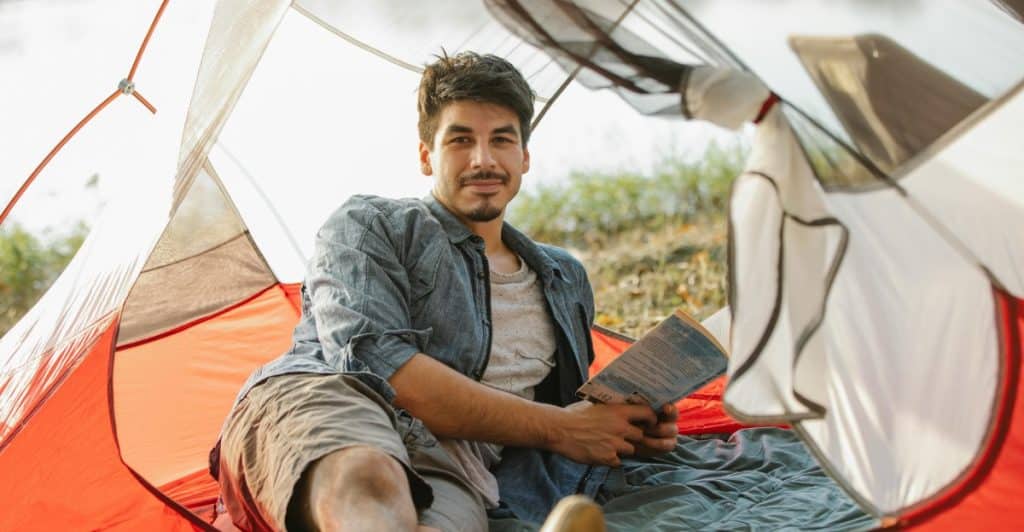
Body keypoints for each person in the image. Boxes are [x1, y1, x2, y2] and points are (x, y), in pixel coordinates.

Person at [213, 51, 679, 532]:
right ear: (425, 156)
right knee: (368, 477)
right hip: (333, 402)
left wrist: (621, 430)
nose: (483, 159)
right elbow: (378, 366)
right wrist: (562, 428)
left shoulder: (563, 277)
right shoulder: (370, 225)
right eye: (460, 140)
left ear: (524, 157)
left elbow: (557, 410)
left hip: (458, 462)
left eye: (501, 139)